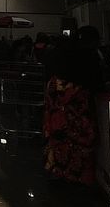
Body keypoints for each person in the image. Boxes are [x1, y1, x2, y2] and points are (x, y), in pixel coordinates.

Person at [42, 26, 105, 187]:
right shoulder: (88, 56)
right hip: (75, 106)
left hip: (57, 104)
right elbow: (96, 82)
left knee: (59, 138)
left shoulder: (62, 53)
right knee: (79, 140)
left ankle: (58, 170)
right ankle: (77, 175)